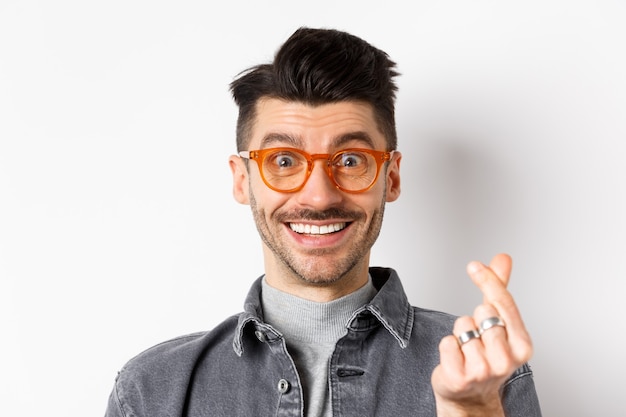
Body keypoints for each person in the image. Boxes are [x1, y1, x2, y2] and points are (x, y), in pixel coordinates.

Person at [104, 27, 542, 417]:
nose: (319, 195)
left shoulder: (486, 371)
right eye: (284, 160)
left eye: (350, 160)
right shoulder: (150, 392)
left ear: (390, 178)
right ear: (243, 181)